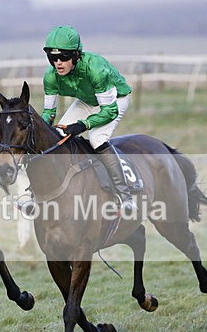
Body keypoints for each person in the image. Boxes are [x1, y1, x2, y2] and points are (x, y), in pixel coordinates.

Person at [39, 25, 136, 216]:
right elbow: (49, 113)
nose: (58, 62)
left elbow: (109, 111)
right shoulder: (50, 77)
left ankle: (125, 196)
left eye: (64, 57)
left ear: (76, 55)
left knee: (96, 138)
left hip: (115, 100)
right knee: (57, 136)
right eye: (53, 57)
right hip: (87, 100)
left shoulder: (96, 70)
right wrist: (40, 131)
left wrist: (83, 125)